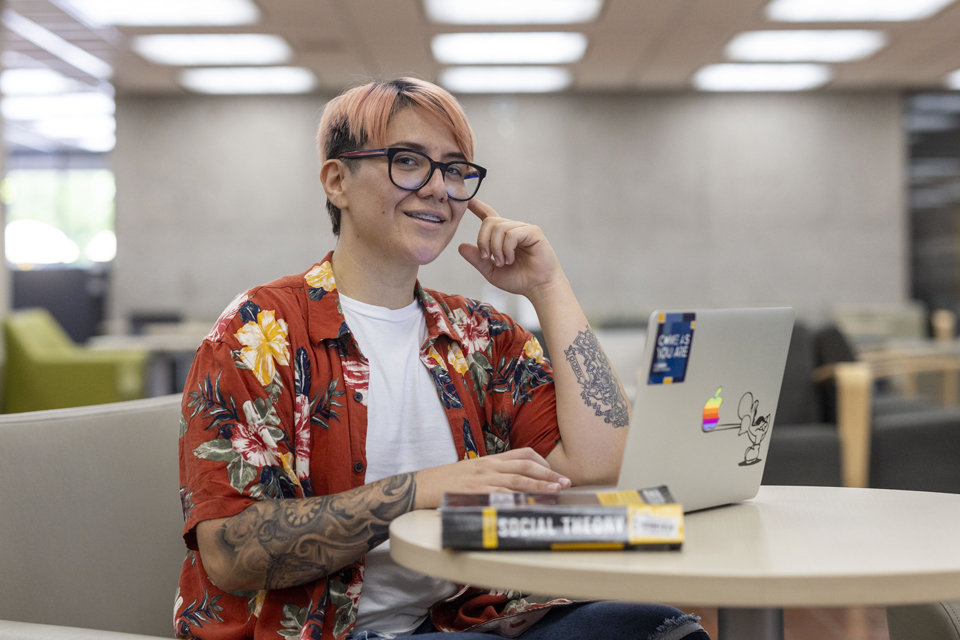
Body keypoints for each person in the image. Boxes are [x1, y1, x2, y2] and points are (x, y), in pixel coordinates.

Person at [175, 77, 709, 640]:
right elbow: (232, 553)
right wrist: (426, 488)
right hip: (323, 632)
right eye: (409, 162)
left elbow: (602, 462)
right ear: (337, 181)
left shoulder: (479, 334)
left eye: (455, 171)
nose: (438, 190)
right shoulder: (260, 331)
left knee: (665, 632)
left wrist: (549, 286)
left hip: (466, 618)